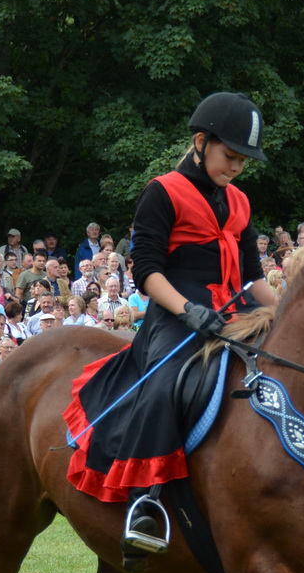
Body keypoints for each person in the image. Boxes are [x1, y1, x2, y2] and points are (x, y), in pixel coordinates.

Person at [65, 92, 279, 509]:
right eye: (230, 155)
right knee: (164, 386)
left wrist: (288, 312)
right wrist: (188, 309)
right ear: (201, 142)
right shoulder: (162, 192)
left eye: (243, 160)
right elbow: (145, 271)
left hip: (239, 312)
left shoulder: (240, 201)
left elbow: (253, 277)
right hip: (178, 315)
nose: (236, 166)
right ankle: (146, 500)